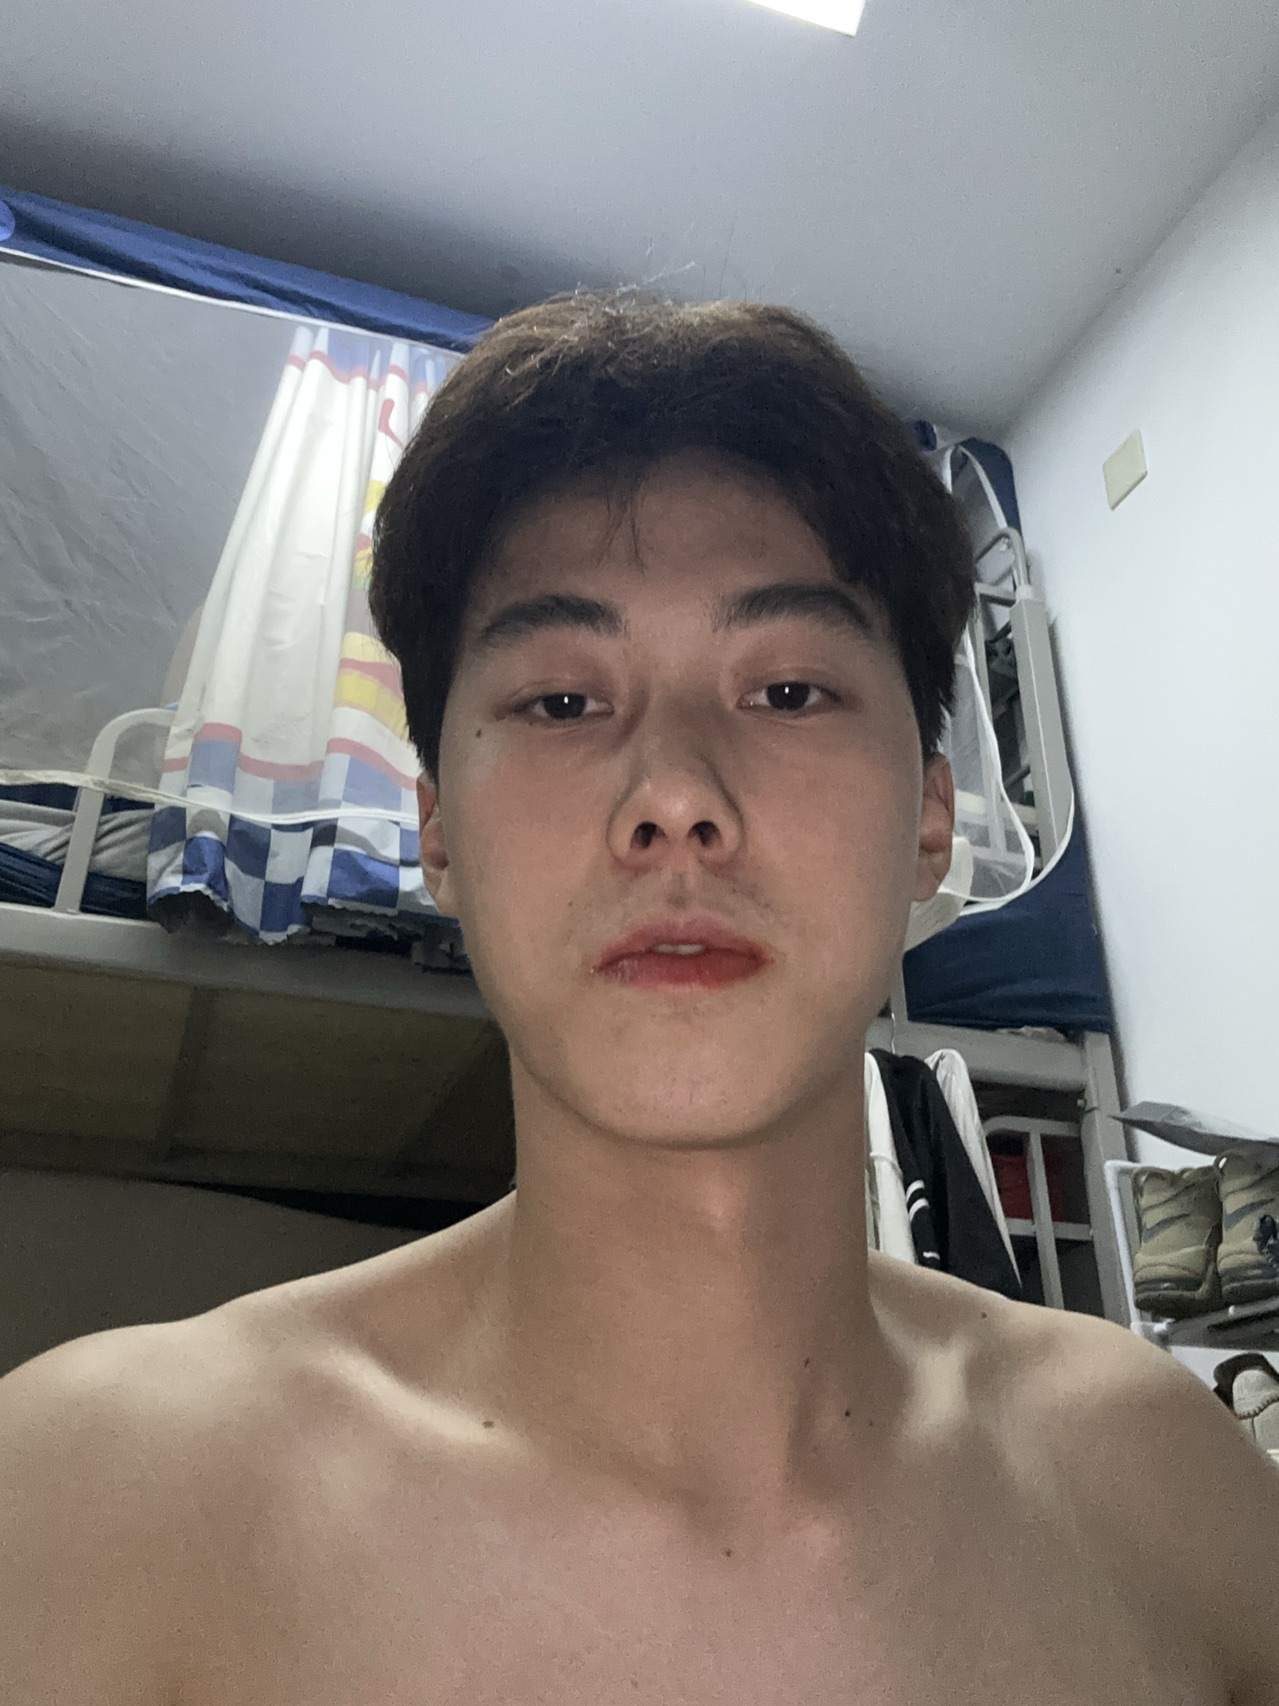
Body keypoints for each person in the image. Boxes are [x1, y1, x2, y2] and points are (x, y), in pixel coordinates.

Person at [2, 293, 1276, 1705]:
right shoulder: (94, 1500)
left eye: (786, 691)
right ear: (439, 830)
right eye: (562, 702)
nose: (674, 795)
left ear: (931, 814)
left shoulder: (1164, 1483)